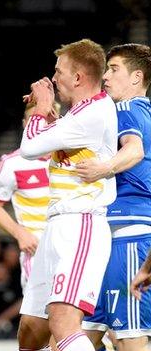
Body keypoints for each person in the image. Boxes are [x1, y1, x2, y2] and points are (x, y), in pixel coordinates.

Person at [17, 38, 118, 351]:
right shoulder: (81, 114)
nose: (54, 77)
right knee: (31, 329)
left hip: (80, 225)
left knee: (63, 322)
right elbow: (67, 141)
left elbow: (30, 148)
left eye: (59, 71)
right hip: (57, 226)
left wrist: (40, 109)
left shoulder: (95, 112)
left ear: (78, 78)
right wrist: (52, 120)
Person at [76, 43, 151, 351]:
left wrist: (103, 169)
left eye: (113, 69)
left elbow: (134, 150)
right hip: (113, 239)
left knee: (131, 339)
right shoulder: (143, 112)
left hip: (129, 237)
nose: (105, 76)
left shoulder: (127, 109)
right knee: (76, 337)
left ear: (136, 77)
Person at [0, 102, 51, 290]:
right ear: (24, 123)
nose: (39, 125)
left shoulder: (71, 157)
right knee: (38, 317)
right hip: (37, 252)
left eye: (45, 120)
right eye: (33, 120)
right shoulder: (13, 163)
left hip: (72, 247)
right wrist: (19, 232)